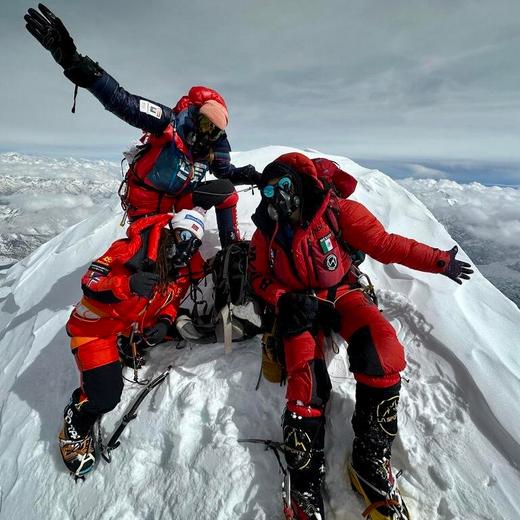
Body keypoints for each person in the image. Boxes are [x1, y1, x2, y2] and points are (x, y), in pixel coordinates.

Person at [248, 152, 473, 520]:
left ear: (301, 183)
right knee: (306, 383)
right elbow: (258, 277)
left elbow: (387, 245)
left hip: (342, 294)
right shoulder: (265, 233)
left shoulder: (336, 214)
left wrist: (439, 261)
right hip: (299, 307)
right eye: (269, 190)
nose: (276, 197)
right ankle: (305, 483)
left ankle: (369, 459)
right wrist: (282, 299)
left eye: (284, 186)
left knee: (381, 350)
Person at [24, 4, 261, 247]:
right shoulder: (167, 122)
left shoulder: (213, 147)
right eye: (205, 122)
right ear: (195, 114)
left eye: (215, 129)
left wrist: (254, 175)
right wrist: (76, 64)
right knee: (156, 254)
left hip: (179, 200)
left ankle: (232, 252)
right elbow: (121, 101)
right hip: (146, 204)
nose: (208, 131)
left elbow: (226, 173)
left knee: (226, 194)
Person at [59, 207, 208, 477]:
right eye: (183, 236)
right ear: (169, 232)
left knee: (179, 328)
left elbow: (171, 301)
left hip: (126, 327)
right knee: (106, 396)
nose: (186, 248)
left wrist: (164, 321)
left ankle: (126, 349)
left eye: (194, 243)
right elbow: (90, 282)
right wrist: (127, 284)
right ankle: (75, 423)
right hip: (94, 329)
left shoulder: (176, 270)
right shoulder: (131, 249)